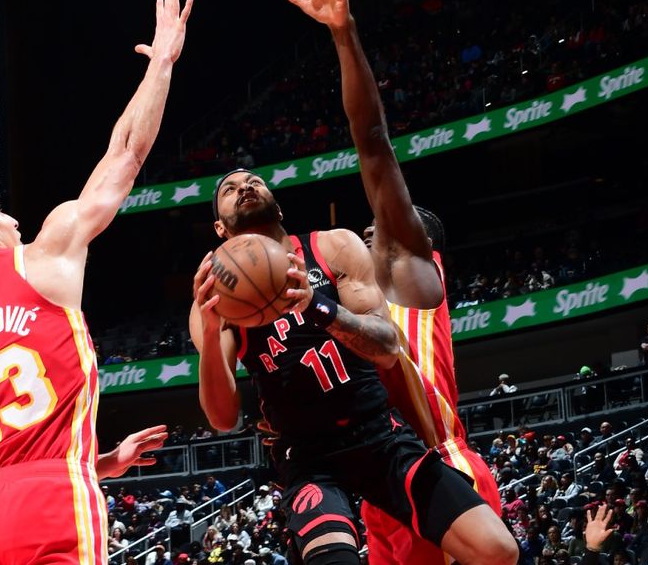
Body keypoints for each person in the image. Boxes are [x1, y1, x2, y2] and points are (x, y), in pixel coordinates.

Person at [0, 0, 193, 565]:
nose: (15, 220)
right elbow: (125, 154)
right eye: (1, 213)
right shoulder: (40, 258)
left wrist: (104, 461)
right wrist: (162, 62)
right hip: (50, 494)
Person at [278, 0, 508, 563]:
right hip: (384, 480)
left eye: (378, 228)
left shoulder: (410, 275)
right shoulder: (345, 301)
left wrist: (342, 33)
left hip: (439, 466)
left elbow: (373, 141)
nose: (367, 230)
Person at [191, 167, 515, 565]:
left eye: (254, 181)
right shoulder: (213, 297)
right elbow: (223, 419)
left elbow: (386, 347)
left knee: (497, 550)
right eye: (230, 189)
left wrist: (318, 306)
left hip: (379, 434)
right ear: (220, 228)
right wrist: (209, 333)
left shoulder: (332, 246)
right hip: (308, 456)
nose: (245, 187)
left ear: (278, 207)